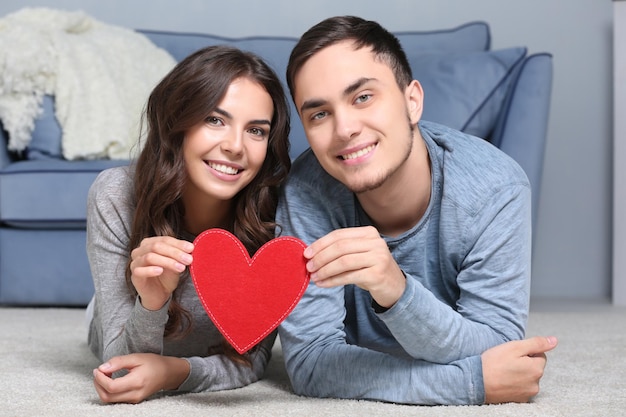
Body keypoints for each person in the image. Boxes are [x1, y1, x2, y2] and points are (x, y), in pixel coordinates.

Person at [276, 16, 558, 405]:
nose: (344, 129)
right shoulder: (306, 191)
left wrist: (396, 289)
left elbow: (497, 346)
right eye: (319, 114)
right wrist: (467, 384)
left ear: (412, 101)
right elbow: (310, 362)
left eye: (362, 97)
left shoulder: (496, 188)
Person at [85, 45, 291, 404]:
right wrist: (151, 302)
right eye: (215, 120)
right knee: (108, 311)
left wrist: (174, 372)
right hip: (116, 316)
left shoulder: (277, 215)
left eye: (256, 131)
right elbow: (119, 364)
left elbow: (252, 359)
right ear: (176, 122)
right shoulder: (115, 193)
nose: (235, 146)